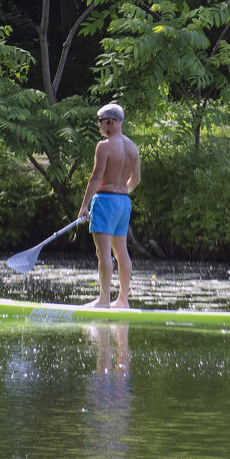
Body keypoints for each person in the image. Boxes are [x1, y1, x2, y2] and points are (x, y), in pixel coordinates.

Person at [77, 103, 141, 307]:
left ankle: (103, 300)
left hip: (105, 202)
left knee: (103, 253)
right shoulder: (132, 147)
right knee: (121, 252)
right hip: (123, 203)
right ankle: (123, 300)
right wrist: (122, 193)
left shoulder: (103, 146)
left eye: (101, 121)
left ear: (110, 122)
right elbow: (136, 179)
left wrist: (84, 206)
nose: (99, 126)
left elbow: (96, 178)